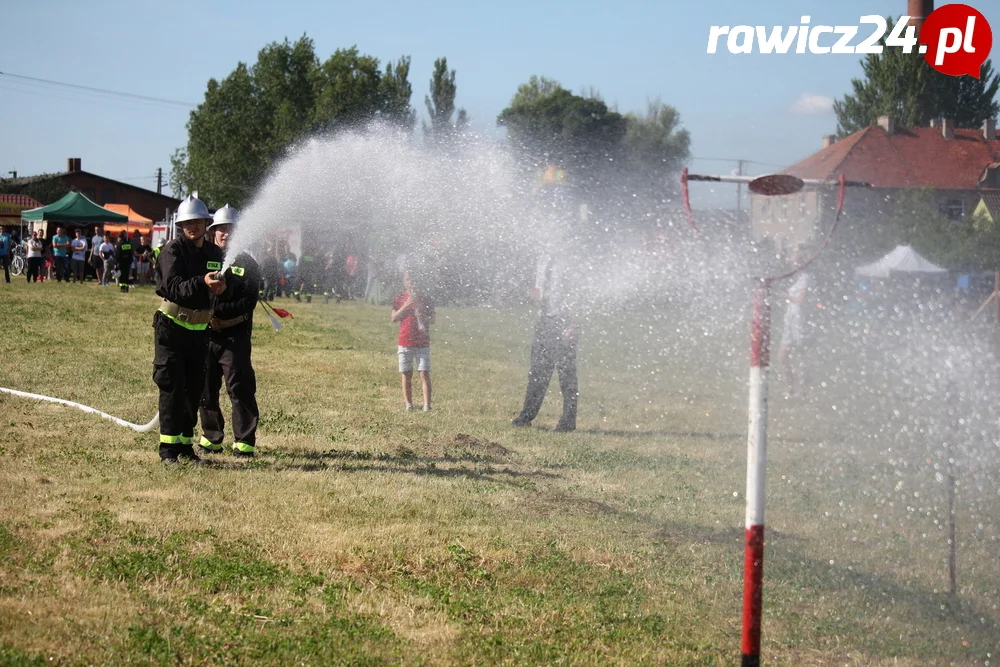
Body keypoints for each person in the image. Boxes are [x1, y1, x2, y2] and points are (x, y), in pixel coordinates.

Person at [153, 194, 226, 464]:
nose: (192, 226)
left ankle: (185, 447)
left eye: (196, 221)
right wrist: (201, 282)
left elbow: (215, 288)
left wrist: (220, 288)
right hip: (171, 330)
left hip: (199, 332)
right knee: (172, 388)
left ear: (206, 223)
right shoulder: (173, 250)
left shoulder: (214, 253)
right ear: (180, 226)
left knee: (193, 390)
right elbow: (171, 288)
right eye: (187, 222)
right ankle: (168, 451)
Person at [197, 204, 261, 458]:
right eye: (221, 229)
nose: (225, 233)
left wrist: (220, 310)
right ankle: (211, 437)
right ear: (213, 231)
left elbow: (249, 301)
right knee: (205, 387)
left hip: (234, 335)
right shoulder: (203, 258)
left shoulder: (248, 263)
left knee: (240, 387)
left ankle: (244, 442)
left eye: (230, 229)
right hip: (204, 334)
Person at [511, 249, 580, 432]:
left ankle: (567, 422)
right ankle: (526, 416)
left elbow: (575, 294)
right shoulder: (541, 259)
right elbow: (538, 289)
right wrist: (534, 295)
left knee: (566, 374)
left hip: (563, 320)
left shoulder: (568, 261)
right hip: (543, 320)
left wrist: (572, 325)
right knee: (537, 371)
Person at [391, 268, 435, 411]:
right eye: (408, 279)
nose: (412, 282)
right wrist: (406, 305)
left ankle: (427, 405)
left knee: (424, 372)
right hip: (405, 341)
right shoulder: (399, 298)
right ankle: (409, 404)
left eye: (414, 279)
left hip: (422, 341)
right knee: (406, 373)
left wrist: (423, 314)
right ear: (404, 282)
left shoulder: (425, 298)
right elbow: (394, 318)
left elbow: (433, 319)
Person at [778, 250, 812, 398]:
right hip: (790, 320)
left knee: (800, 356)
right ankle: (790, 388)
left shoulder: (806, 278)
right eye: (792, 262)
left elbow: (800, 300)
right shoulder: (797, 279)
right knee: (782, 356)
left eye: (795, 262)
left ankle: (803, 390)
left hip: (800, 320)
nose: (792, 265)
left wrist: (785, 296)